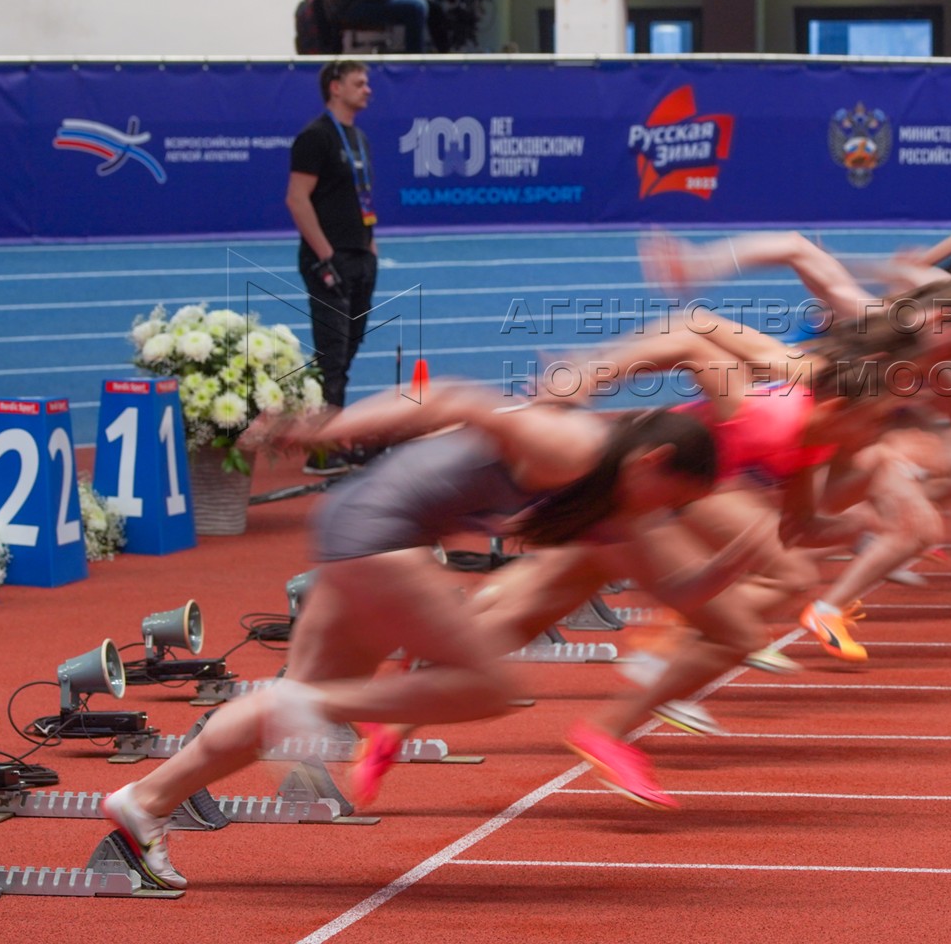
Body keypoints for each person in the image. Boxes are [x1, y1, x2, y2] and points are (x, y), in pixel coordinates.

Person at [101, 387, 718, 886]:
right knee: (487, 688)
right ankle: (305, 706)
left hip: (368, 531)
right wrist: (327, 427)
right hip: (379, 529)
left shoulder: (615, 501)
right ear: (653, 463)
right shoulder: (573, 444)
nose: (670, 517)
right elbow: (450, 398)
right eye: (676, 502)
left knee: (295, 705)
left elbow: (686, 593)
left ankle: (148, 801)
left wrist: (759, 553)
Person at [287, 60, 380, 475]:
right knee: (332, 355)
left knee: (347, 352)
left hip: (360, 257)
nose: (368, 89)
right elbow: (297, 199)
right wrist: (325, 255)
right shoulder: (316, 137)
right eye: (360, 83)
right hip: (329, 259)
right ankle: (320, 452)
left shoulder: (358, 138)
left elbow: (362, 200)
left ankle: (327, 434)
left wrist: (370, 248)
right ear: (335, 87)